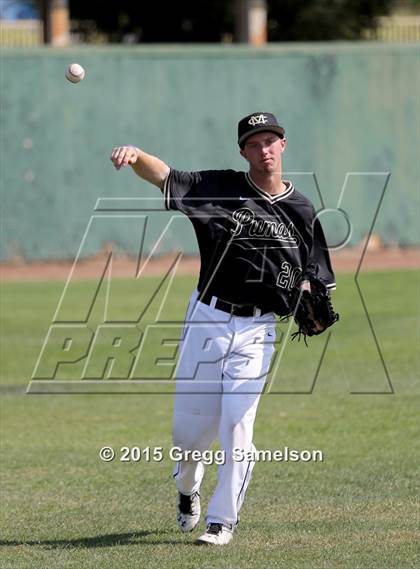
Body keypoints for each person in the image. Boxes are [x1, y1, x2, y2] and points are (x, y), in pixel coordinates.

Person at [110, 112, 336, 546]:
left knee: (237, 425)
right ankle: (187, 489)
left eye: (270, 140)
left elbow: (316, 275)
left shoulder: (302, 210)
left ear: (283, 145)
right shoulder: (220, 189)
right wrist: (136, 156)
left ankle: (222, 520)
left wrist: (309, 291)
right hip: (207, 320)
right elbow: (165, 176)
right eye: (254, 143)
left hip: (257, 330)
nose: (264, 149)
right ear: (243, 152)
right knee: (188, 436)